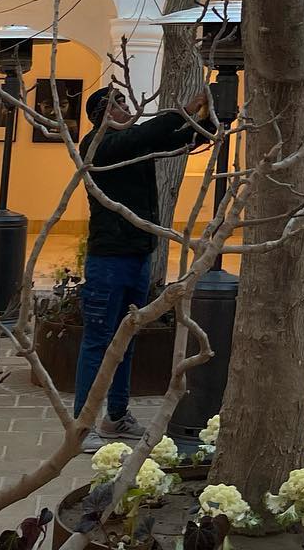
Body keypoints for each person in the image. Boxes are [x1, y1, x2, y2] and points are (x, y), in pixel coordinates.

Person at [75, 84, 211, 453]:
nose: (124, 106)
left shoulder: (133, 145)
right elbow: (148, 133)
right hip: (109, 258)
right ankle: (81, 425)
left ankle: (116, 416)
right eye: (116, 102)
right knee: (98, 341)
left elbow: (178, 140)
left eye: (123, 99)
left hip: (138, 254)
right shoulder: (98, 146)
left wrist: (209, 116)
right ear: (101, 114)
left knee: (127, 338)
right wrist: (185, 107)